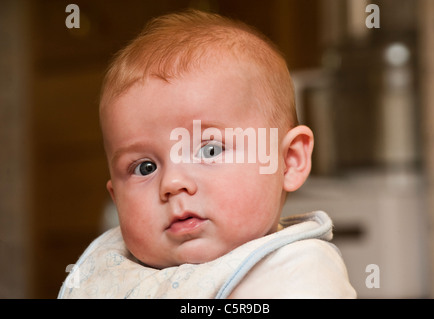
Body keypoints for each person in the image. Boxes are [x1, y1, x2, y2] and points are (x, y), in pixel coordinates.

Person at [58, 9, 356, 299]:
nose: (172, 184)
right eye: (145, 167)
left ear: (289, 161)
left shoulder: (296, 269)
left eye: (210, 150)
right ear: (116, 198)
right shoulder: (113, 269)